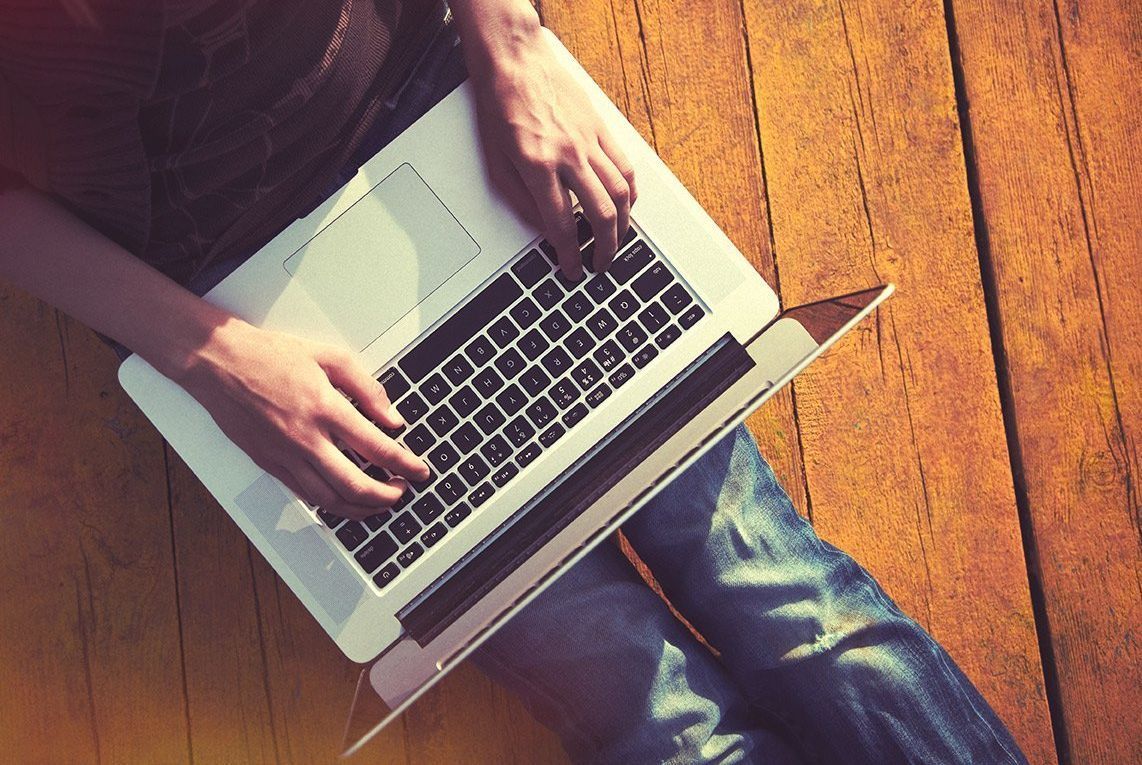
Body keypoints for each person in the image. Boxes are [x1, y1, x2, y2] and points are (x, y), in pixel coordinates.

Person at [0, 1, 1028, 762]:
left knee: (794, 604)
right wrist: (208, 357)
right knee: (660, 724)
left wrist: (511, 36)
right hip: (225, 299)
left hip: (449, 124)